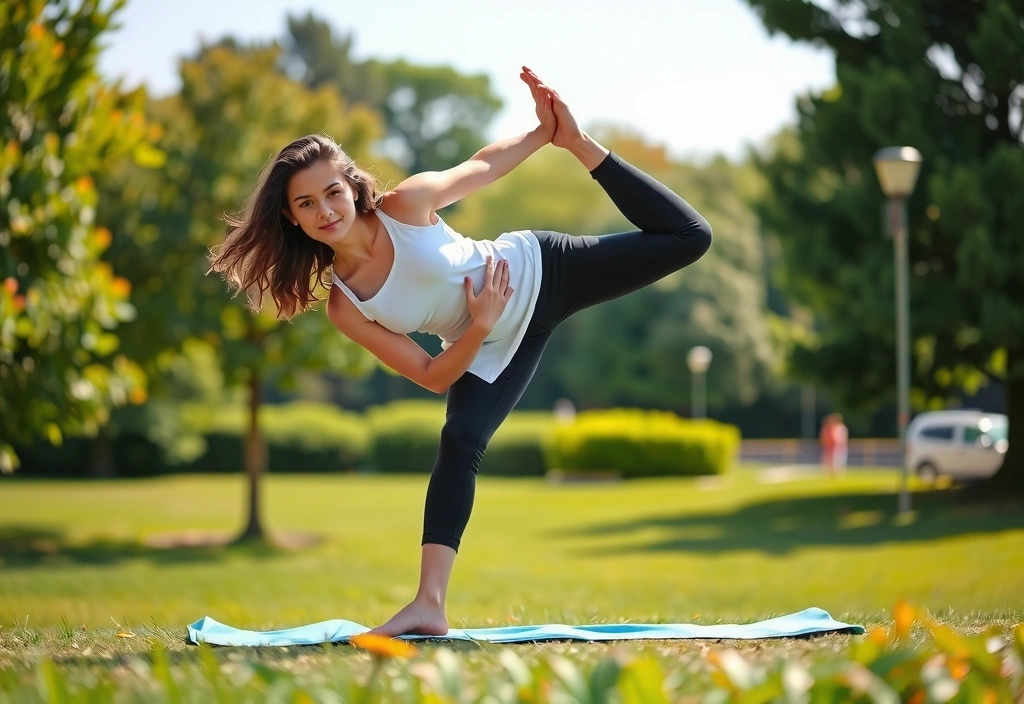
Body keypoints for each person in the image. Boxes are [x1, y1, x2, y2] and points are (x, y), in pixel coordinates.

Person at [209, 67, 713, 637]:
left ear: (351, 186)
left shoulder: (405, 206)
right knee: (460, 439)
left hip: (542, 271)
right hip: (489, 340)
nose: (326, 210)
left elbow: (483, 165)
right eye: (307, 203)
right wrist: (478, 327)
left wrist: (551, 136)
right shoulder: (346, 305)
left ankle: (584, 146)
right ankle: (429, 604)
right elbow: (429, 374)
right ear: (291, 217)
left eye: (332, 192)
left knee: (690, 238)